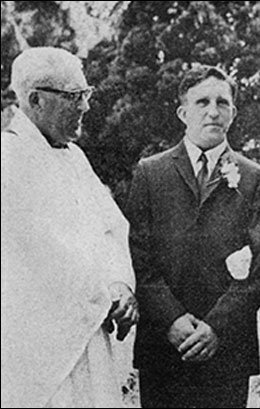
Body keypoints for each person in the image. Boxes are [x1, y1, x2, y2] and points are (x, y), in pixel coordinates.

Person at [126, 64, 260, 408]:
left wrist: (216, 328)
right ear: (182, 112)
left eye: (222, 103)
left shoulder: (256, 179)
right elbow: (138, 256)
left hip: (225, 350)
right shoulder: (151, 172)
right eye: (202, 102)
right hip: (164, 346)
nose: (213, 111)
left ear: (234, 113)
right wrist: (172, 320)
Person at [1, 47, 139, 408]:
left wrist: (121, 284)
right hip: (41, 348)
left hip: (91, 332)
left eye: (86, 94)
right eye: (74, 96)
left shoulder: (74, 158)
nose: (86, 106)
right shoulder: (7, 160)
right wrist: (104, 294)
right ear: (36, 100)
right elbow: (40, 252)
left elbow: (111, 228)